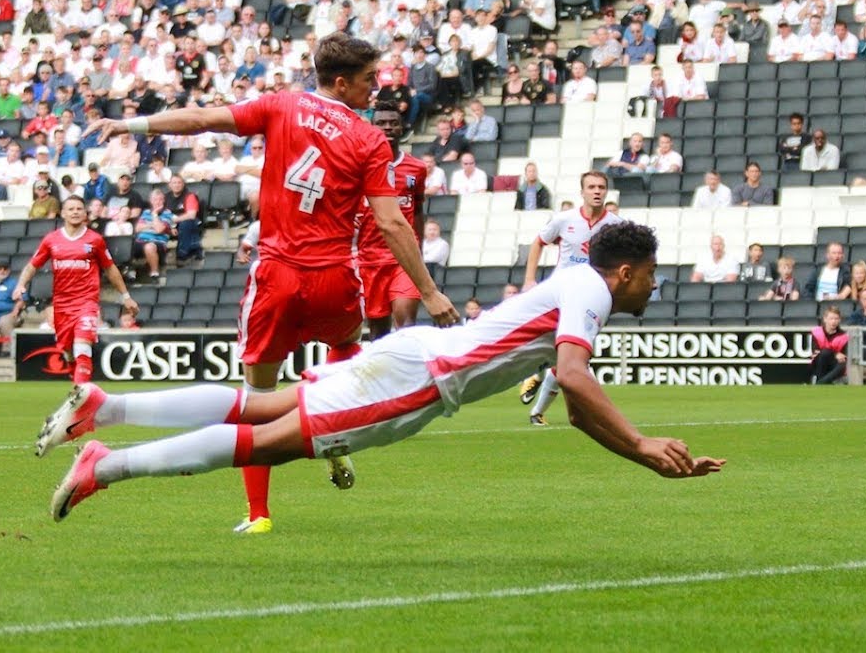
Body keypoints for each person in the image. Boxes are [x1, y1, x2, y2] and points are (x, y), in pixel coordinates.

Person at [40, 223, 726, 524]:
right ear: (628, 271)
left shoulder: (575, 280)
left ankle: (108, 407)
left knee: (263, 405)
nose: (652, 291)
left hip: (413, 354)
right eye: (651, 280)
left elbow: (576, 407)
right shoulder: (594, 291)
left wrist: (639, 455)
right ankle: (105, 465)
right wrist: (641, 444)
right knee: (271, 442)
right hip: (419, 384)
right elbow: (574, 378)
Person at [81, 32, 458, 535]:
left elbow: (200, 120)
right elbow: (391, 224)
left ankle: (258, 513)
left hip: (277, 277)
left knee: (255, 401)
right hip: (335, 280)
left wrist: (127, 123)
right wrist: (430, 291)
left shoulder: (281, 105)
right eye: (370, 80)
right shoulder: (369, 139)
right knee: (345, 359)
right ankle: (336, 442)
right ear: (342, 83)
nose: (378, 88)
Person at [519, 172, 622, 426]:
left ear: (606, 192)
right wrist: (529, 280)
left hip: (590, 297)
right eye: (591, 187)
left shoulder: (616, 225)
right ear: (582, 192)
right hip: (560, 292)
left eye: (601, 187)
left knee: (571, 358)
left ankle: (536, 408)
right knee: (564, 354)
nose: (596, 191)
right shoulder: (565, 220)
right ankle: (535, 380)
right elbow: (538, 243)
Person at [12, 197, 139, 386]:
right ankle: (77, 386)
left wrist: (126, 296)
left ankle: (82, 395)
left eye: (79, 208)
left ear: (85, 213)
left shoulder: (95, 240)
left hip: (87, 302)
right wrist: (20, 284)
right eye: (70, 209)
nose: (75, 212)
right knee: (68, 352)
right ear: (63, 213)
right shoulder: (51, 240)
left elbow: (111, 269)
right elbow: (32, 266)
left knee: (82, 346)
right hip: (62, 305)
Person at [357, 100, 428, 339]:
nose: (387, 128)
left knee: (406, 326)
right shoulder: (358, 166)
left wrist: (419, 250)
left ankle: (409, 375)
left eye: (393, 123)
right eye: (381, 123)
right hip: (370, 258)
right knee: (378, 333)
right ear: (371, 127)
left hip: (404, 256)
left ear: (402, 128)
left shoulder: (416, 168)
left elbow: (417, 210)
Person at [809, 306, 848, 384]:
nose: (833, 321)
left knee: (842, 365)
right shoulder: (817, 332)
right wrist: (835, 353)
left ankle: (820, 383)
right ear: (825, 319)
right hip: (819, 363)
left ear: (839, 320)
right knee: (824, 353)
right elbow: (816, 352)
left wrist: (835, 355)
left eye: (836, 319)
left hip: (834, 364)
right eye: (831, 318)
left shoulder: (844, 336)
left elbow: (843, 357)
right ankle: (823, 382)